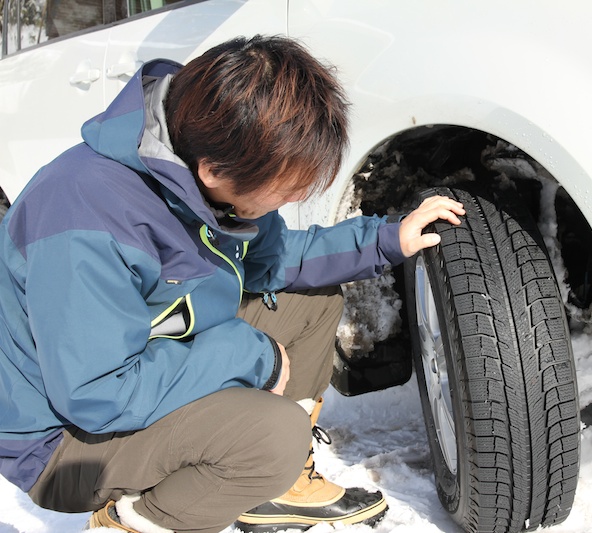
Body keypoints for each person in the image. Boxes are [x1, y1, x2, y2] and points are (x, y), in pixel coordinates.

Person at [0, 35, 464, 533]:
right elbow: (95, 393)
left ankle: (269, 484)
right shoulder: (84, 216)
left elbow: (279, 260)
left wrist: (389, 238)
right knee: (272, 437)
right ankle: (131, 522)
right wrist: (251, 355)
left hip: (143, 359)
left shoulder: (215, 161)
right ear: (213, 171)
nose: (291, 199)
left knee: (310, 305)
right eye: (284, 190)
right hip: (64, 443)